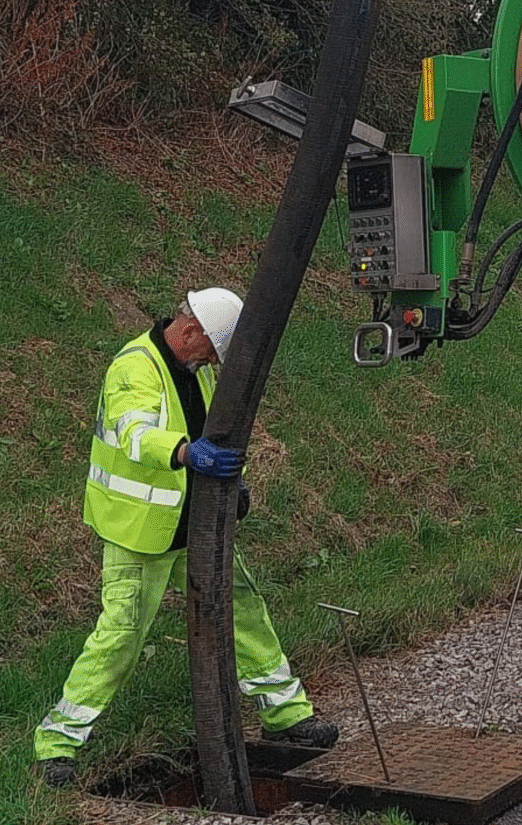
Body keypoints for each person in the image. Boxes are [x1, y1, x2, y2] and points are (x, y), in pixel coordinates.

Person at [34, 287, 338, 787]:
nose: (214, 361)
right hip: (140, 531)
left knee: (242, 607)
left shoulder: (198, 371)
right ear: (192, 331)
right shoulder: (134, 368)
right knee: (122, 635)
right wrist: (183, 453)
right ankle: (55, 745)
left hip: (192, 522)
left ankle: (288, 714)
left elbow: (211, 432)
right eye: (213, 351)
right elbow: (134, 433)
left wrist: (229, 482)